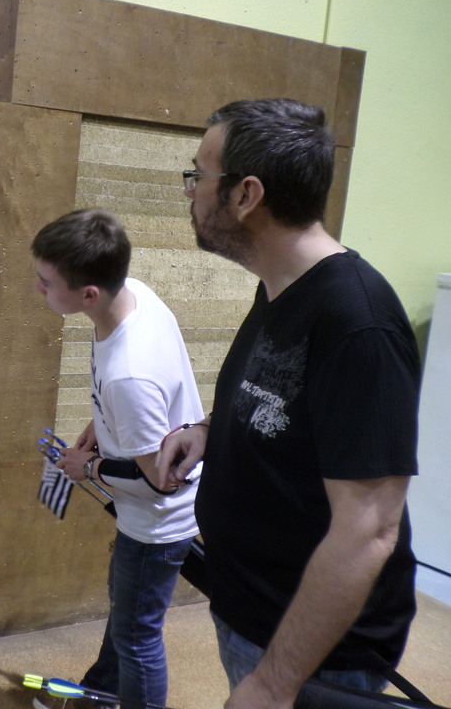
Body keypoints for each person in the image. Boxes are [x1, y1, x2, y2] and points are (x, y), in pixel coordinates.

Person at [156, 98, 420, 708]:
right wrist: (208, 430)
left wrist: (276, 684)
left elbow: (369, 530)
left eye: (199, 175)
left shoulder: (359, 324)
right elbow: (281, 398)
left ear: (246, 194)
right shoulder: (280, 286)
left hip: (313, 654)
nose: (191, 191)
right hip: (250, 607)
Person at [31, 209, 204, 709]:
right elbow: (135, 413)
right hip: (149, 511)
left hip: (155, 524)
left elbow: (160, 480)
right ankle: (103, 692)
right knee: (128, 617)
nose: (38, 289)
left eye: (46, 283)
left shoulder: (131, 374)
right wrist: (103, 426)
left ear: (89, 294)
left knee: (137, 637)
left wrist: (86, 468)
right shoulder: (134, 294)